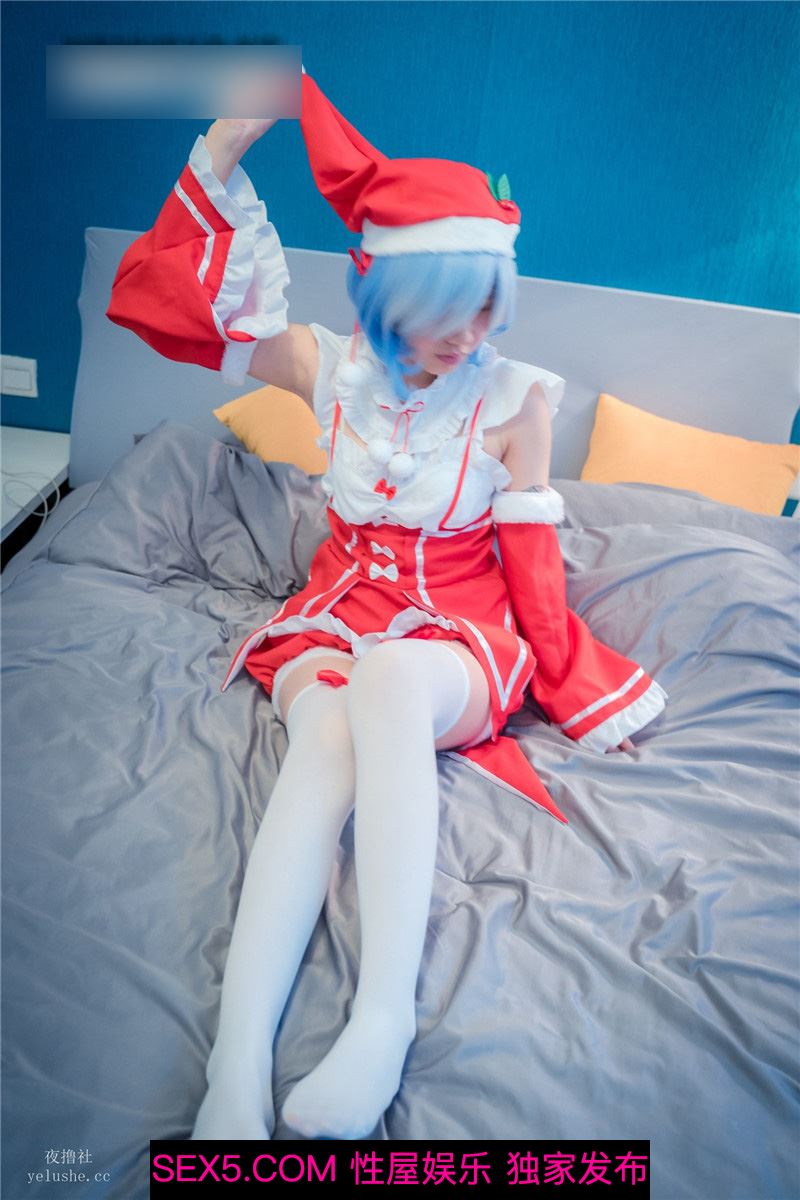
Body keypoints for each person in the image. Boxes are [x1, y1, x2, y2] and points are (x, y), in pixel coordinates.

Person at [107, 71, 667, 1141]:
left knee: (393, 678)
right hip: (340, 608)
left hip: (455, 634)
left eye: (487, 307)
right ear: (386, 291)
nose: (470, 335)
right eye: (448, 310)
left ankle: (381, 1022)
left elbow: (530, 556)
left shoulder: (516, 400)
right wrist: (218, 153)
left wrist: (574, 681)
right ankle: (234, 1068)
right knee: (325, 734)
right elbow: (178, 313)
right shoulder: (330, 369)